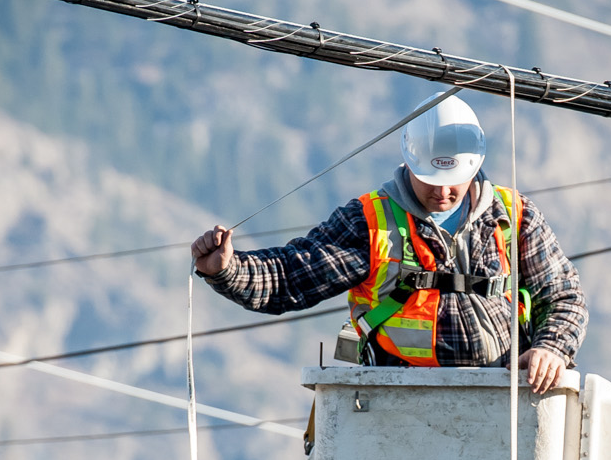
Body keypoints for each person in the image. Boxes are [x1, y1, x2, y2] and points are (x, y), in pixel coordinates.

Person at [191, 94, 587, 392]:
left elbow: (564, 295)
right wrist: (227, 269)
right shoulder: (369, 221)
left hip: (503, 403)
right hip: (399, 407)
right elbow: (290, 277)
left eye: (455, 181)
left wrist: (551, 349)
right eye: (432, 180)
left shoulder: (513, 216)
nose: (444, 192)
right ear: (410, 163)